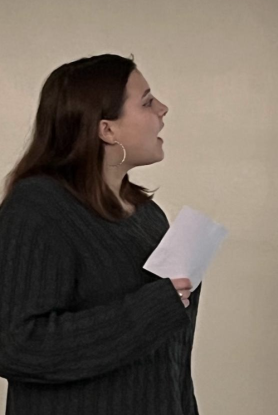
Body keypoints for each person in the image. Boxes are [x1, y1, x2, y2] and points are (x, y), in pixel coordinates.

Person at [0, 55, 200, 415]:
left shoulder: (148, 216)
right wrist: (151, 308)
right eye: (147, 101)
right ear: (106, 130)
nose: (163, 109)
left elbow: (171, 360)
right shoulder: (37, 208)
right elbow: (14, 345)